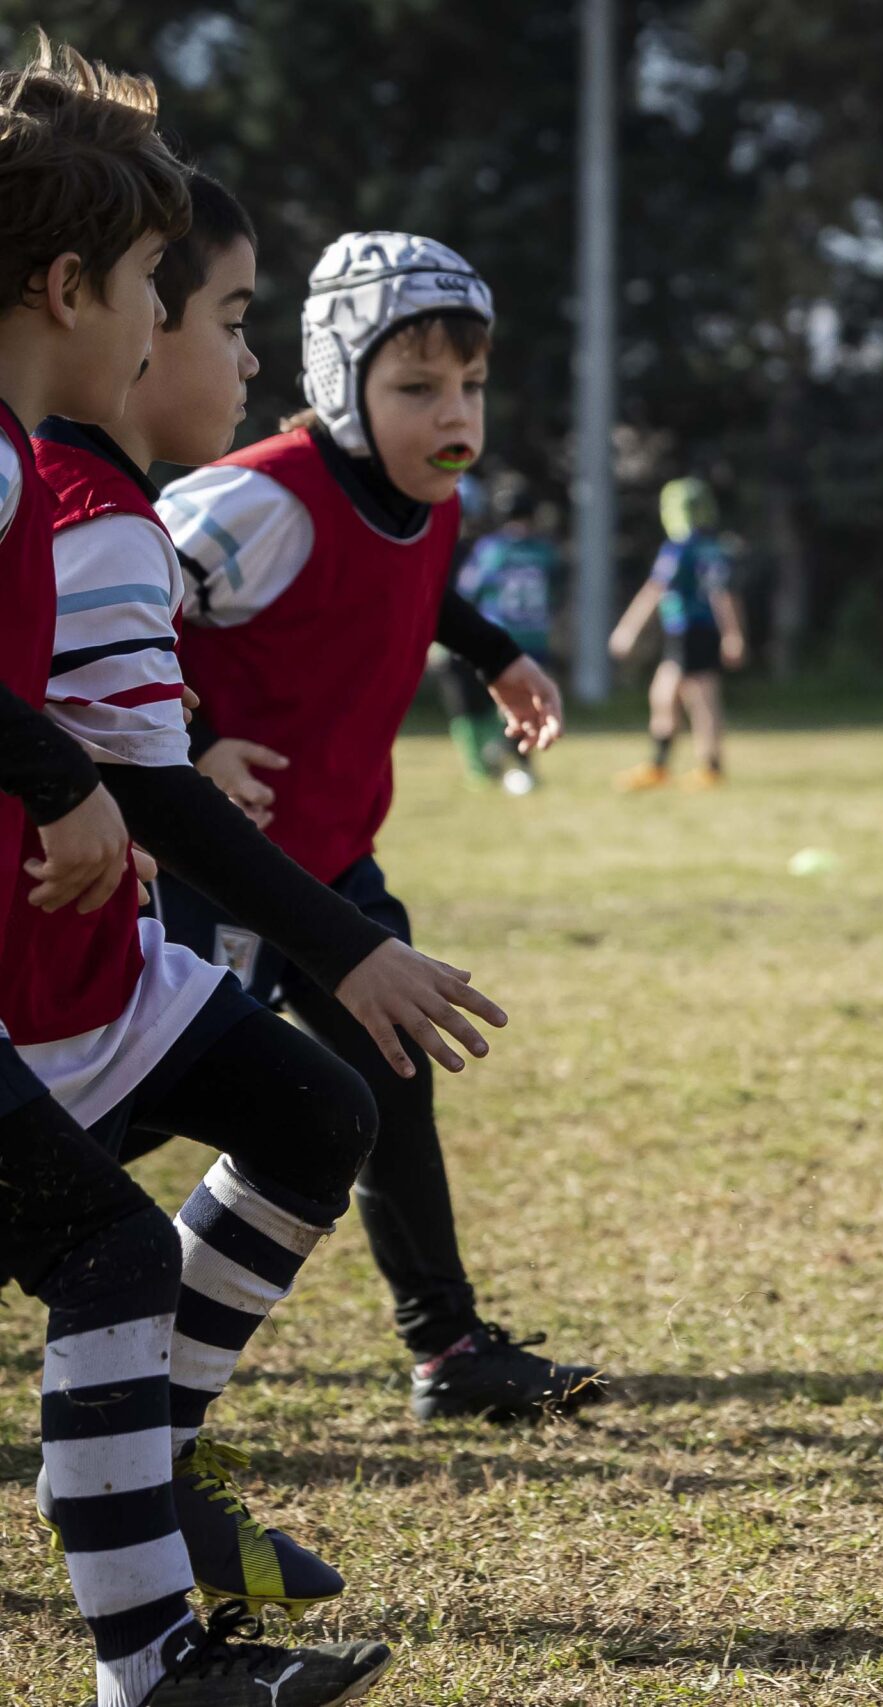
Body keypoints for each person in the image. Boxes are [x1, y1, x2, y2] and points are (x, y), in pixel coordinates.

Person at [0, 35, 395, 1706]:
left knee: (282, 1133)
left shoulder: (29, 466)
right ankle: (151, 1624)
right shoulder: (36, 480)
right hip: (45, 988)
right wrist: (64, 777)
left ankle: (141, 1536)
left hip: (85, 979)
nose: (174, 327)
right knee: (113, 1255)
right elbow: (122, 763)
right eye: (163, 288)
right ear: (70, 287)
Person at [154, 231, 603, 1425]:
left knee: (392, 1075)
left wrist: (496, 654)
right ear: (339, 384)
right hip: (209, 869)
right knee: (133, 1108)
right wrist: (193, 744)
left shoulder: (423, 495)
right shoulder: (258, 499)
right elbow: (110, 592)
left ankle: (446, 1350)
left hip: (332, 865)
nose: (454, 413)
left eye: (472, 384)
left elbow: (410, 575)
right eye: (416, 386)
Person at [609, 476, 745, 791]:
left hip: (691, 629)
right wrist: (732, 633)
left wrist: (628, 629)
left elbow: (655, 590)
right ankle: (660, 765)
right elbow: (725, 595)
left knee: (700, 697)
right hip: (691, 631)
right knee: (665, 695)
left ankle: (709, 767)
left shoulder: (680, 549)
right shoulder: (714, 548)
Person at [447, 473, 557, 793]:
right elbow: (555, 592)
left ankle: (508, 756)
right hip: (535, 637)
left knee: (505, 705)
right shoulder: (544, 552)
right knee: (528, 702)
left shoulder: (491, 550)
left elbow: (467, 591)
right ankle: (519, 761)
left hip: (500, 639)